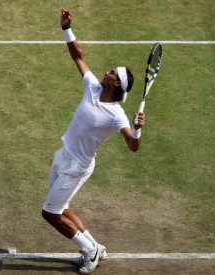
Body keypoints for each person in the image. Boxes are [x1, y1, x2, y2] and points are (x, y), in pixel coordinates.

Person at [41, 8, 146, 274]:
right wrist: (66, 28)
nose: (107, 71)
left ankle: (89, 252)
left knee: (50, 213)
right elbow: (79, 55)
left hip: (78, 166)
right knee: (61, 208)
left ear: (116, 84)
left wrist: (136, 130)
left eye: (112, 72)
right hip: (64, 154)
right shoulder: (93, 87)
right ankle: (95, 247)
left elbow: (133, 146)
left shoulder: (117, 115)